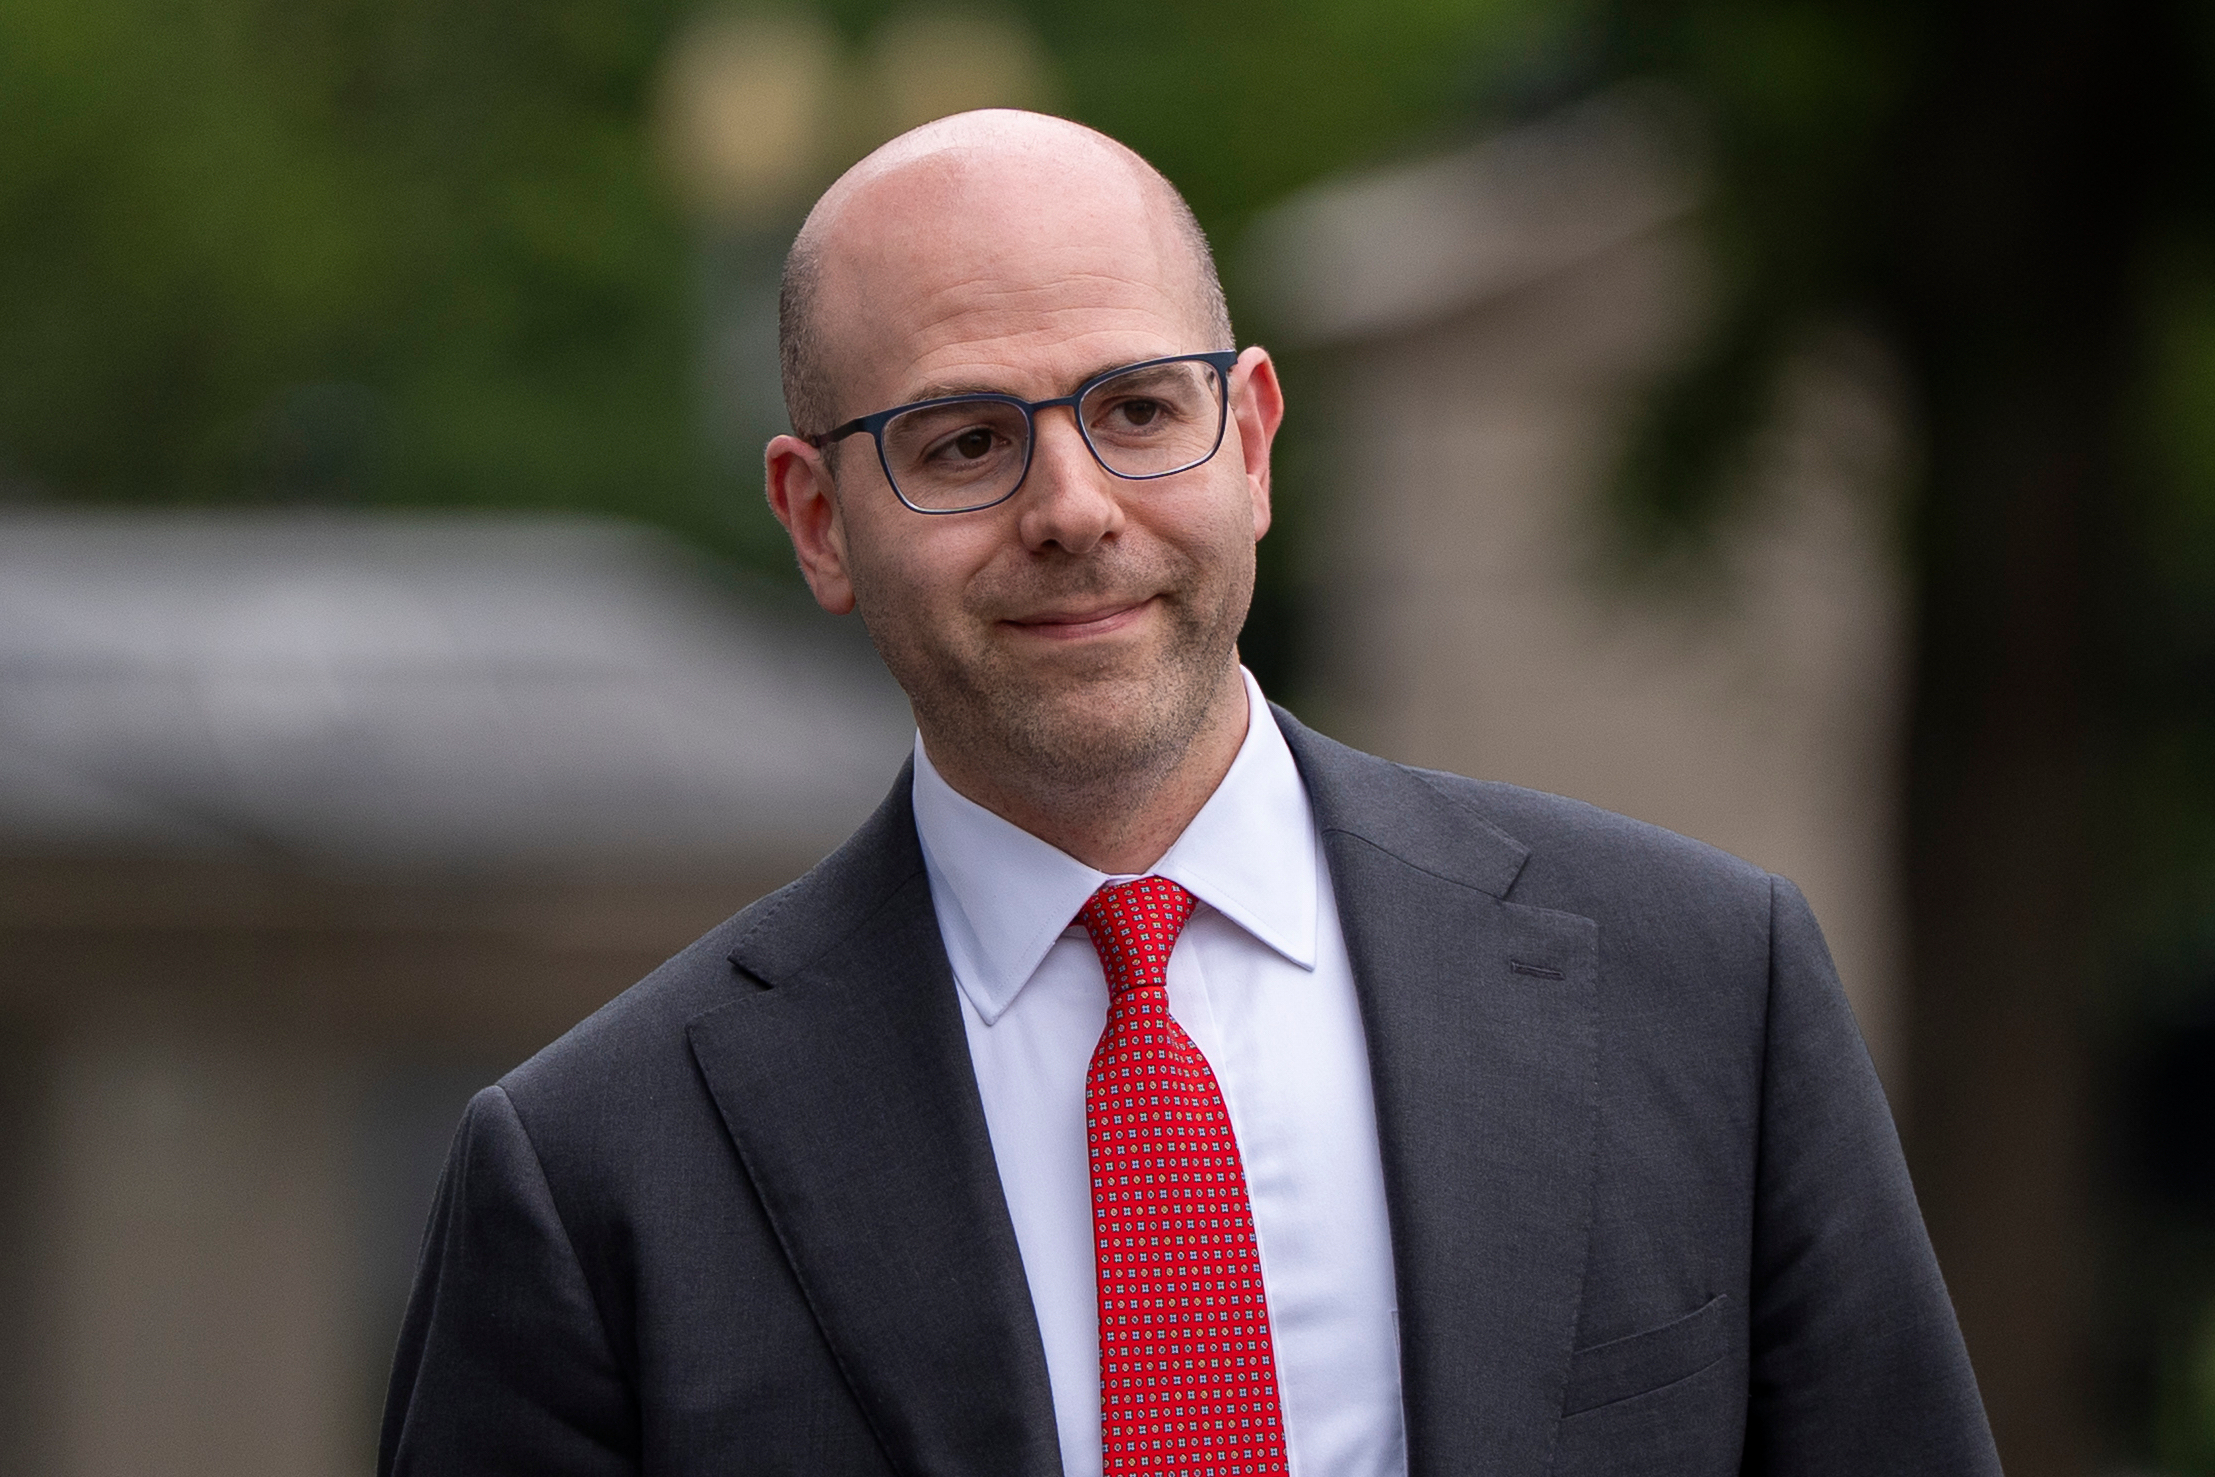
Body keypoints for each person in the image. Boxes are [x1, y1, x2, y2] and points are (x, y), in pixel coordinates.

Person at [380, 110, 2000, 1477]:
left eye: (1140, 409)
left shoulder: (1709, 991)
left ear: (1255, 440)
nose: (1075, 509)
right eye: (963, 443)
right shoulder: (595, 1174)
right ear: (817, 519)